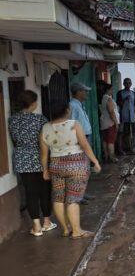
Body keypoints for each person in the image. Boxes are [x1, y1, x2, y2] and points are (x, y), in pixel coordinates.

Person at [40, 101, 101, 239]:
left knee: (58, 198)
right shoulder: (74, 124)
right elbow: (84, 145)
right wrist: (95, 161)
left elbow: (44, 154)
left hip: (55, 165)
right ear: (67, 110)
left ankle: (66, 229)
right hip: (76, 165)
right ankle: (77, 231)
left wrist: (45, 170)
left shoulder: (45, 128)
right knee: (73, 199)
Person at [8, 90, 56, 236]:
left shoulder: (12, 120)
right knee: (44, 191)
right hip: (40, 158)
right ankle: (46, 222)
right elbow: (48, 139)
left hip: (22, 158)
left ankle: (36, 226)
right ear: (33, 103)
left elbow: (14, 139)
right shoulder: (40, 119)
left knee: (30, 193)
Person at [99, 82, 119, 163]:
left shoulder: (103, 98)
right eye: (111, 89)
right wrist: (116, 122)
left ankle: (106, 156)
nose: (112, 91)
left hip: (104, 123)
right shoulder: (108, 98)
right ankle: (112, 157)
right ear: (108, 90)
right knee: (111, 141)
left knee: (105, 140)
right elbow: (111, 111)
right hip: (110, 123)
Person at [117, 78, 135, 155]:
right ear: (123, 84)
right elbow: (119, 104)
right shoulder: (120, 93)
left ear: (131, 84)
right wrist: (125, 99)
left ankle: (130, 148)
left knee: (132, 133)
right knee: (121, 133)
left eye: (129, 83)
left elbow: (134, 105)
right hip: (123, 117)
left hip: (131, 117)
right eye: (126, 83)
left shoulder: (133, 93)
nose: (128, 84)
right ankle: (120, 149)